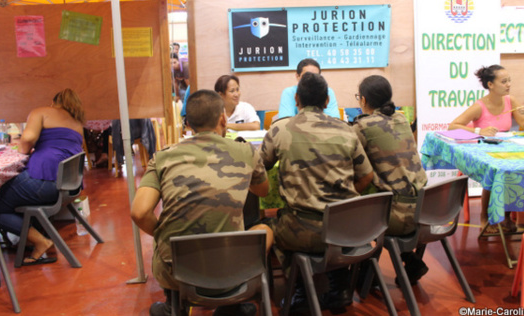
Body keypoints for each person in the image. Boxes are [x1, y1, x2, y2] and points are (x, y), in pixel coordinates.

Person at [131, 90, 272, 316]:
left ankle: (173, 306)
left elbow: (139, 213)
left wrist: (161, 234)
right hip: (231, 266)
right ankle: (232, 307)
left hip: (177, 268)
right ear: (223, 118)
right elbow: (263, 191)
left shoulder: (164, 157)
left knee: (167, 242)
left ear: (188, 124)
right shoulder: (245, 151)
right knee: (265, 229)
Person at [260, 72, 374, 311]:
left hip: (300, 232)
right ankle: (340, 285)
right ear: (326, 102)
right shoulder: (347, 130)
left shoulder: (281, 129)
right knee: (326, 222)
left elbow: (261, 169)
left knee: (270, 226)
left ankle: (298, 289)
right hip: (345, 230)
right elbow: (366, 176)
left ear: (297, 99)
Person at [0, 88, 85, 265]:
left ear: (53, 103)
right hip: (68, 186)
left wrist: (23, 149)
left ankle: (38, 241)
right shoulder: (77, 123)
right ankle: (28, 237)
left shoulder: (41, 112)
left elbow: (27, 139)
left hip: (44, 182)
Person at [353, 75, 429, 285]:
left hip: (395, 216)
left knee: (344, 215)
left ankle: (361, 275)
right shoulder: (402, 119)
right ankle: (409, 259)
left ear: (364, 100)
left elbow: (349, 157)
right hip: (424, 210)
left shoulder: (363, 126)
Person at [449, 64, 524, 233]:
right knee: (494, 173)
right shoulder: (480, 106)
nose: (508, 85)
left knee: (514, 171)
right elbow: (453, 126)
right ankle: (485, 218)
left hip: (506, 149)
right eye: (504, 82)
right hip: (485, 151)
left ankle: (507, 217)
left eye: (509, 81)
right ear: (490, 85)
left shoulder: (511, 101)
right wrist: (479, 131)